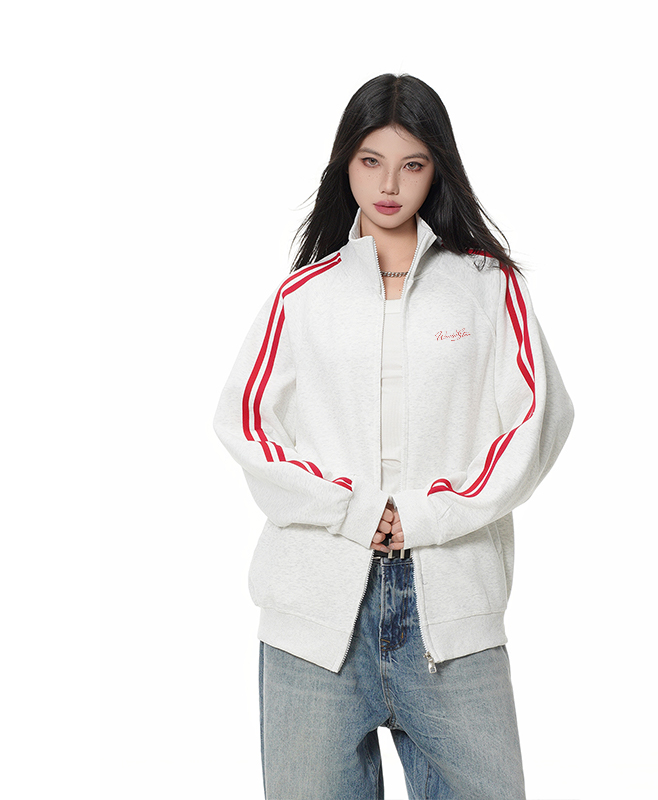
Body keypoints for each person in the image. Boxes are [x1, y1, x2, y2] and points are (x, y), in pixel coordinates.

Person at [214, 73, 574, 800]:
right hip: (313, 620)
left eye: (412, 163)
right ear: (345, 164)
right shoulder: (303, 296)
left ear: (437, 168)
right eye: (370, 161)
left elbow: (537, 418)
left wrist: (429, 514)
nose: (388, 185)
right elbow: (246, 423)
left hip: (454, 617)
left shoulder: (488, 286)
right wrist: (350, 509)